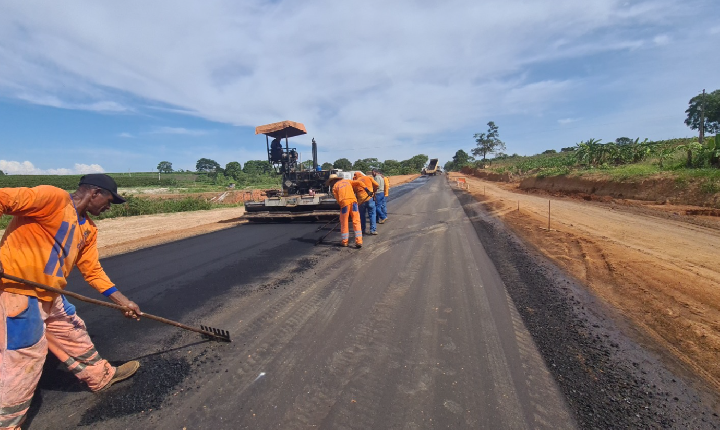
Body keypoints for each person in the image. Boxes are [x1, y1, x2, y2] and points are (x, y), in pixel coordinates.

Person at [0, 174, 142, 430]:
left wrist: (123, 301)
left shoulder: (88, 229)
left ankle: (100, 376)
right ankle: (8, 424)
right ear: (95, 193)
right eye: (108, 201)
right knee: (26, 357)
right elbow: (3, 199)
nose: (108, 208)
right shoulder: (51, 199)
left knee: (72, 331)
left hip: (51, 295)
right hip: (18, 292)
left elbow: (92, 271)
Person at [326, 174, 362, 248]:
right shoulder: (347, 181)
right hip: (354, 202)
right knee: (356, 221)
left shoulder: (335, 187)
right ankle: (359, 241)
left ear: (333, 181)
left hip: (345, 204)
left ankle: (345, 242)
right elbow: (359, 183)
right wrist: (367, 189)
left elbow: (338, 200)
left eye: (330, 182)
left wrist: (342, 206)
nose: (331, 184)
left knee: (344, 222)